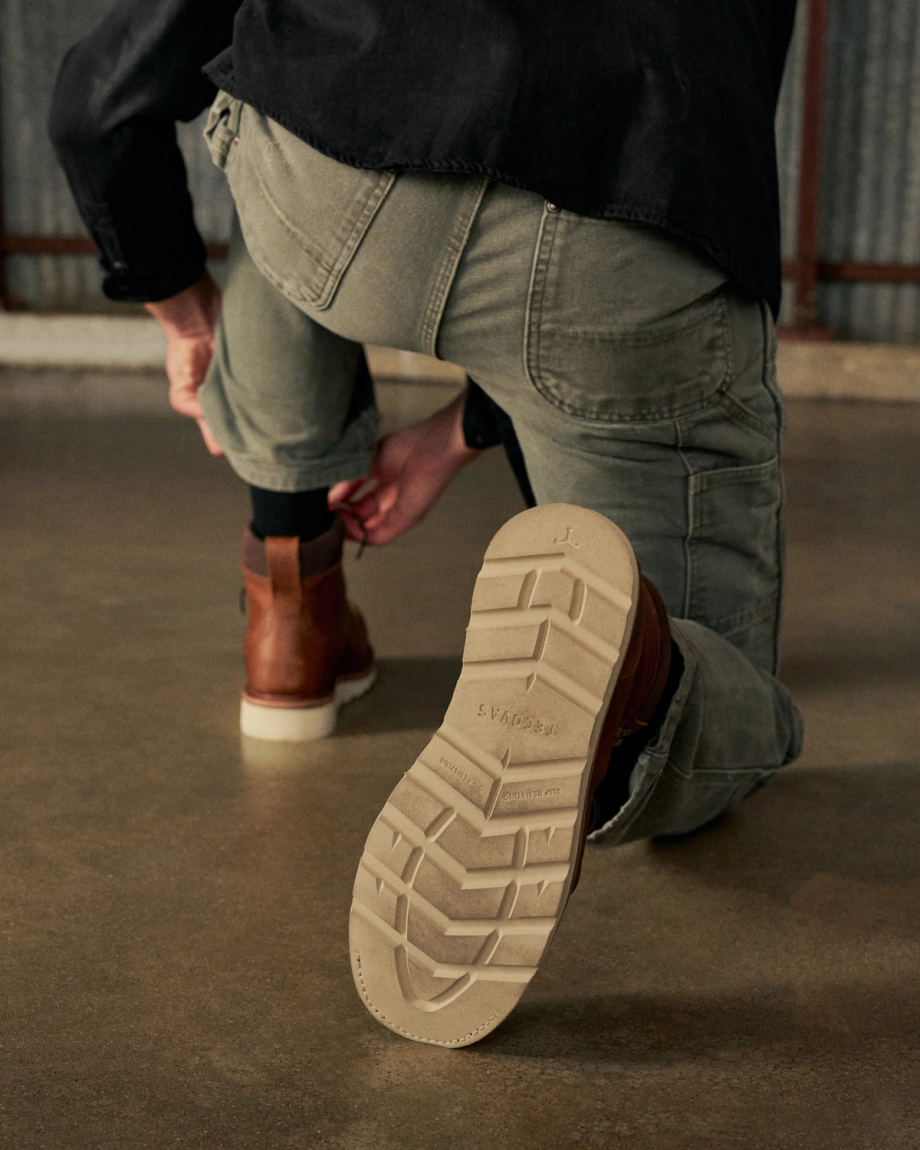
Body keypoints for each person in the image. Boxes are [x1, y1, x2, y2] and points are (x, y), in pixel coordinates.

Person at [50, 0, 804, 1045]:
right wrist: (477, 424)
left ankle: (292, 600)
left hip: (342, 206)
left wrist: (181, 313)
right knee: (719, 702)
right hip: (625, 238)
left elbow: (102, 97)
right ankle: (636, 669)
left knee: (285, 144)